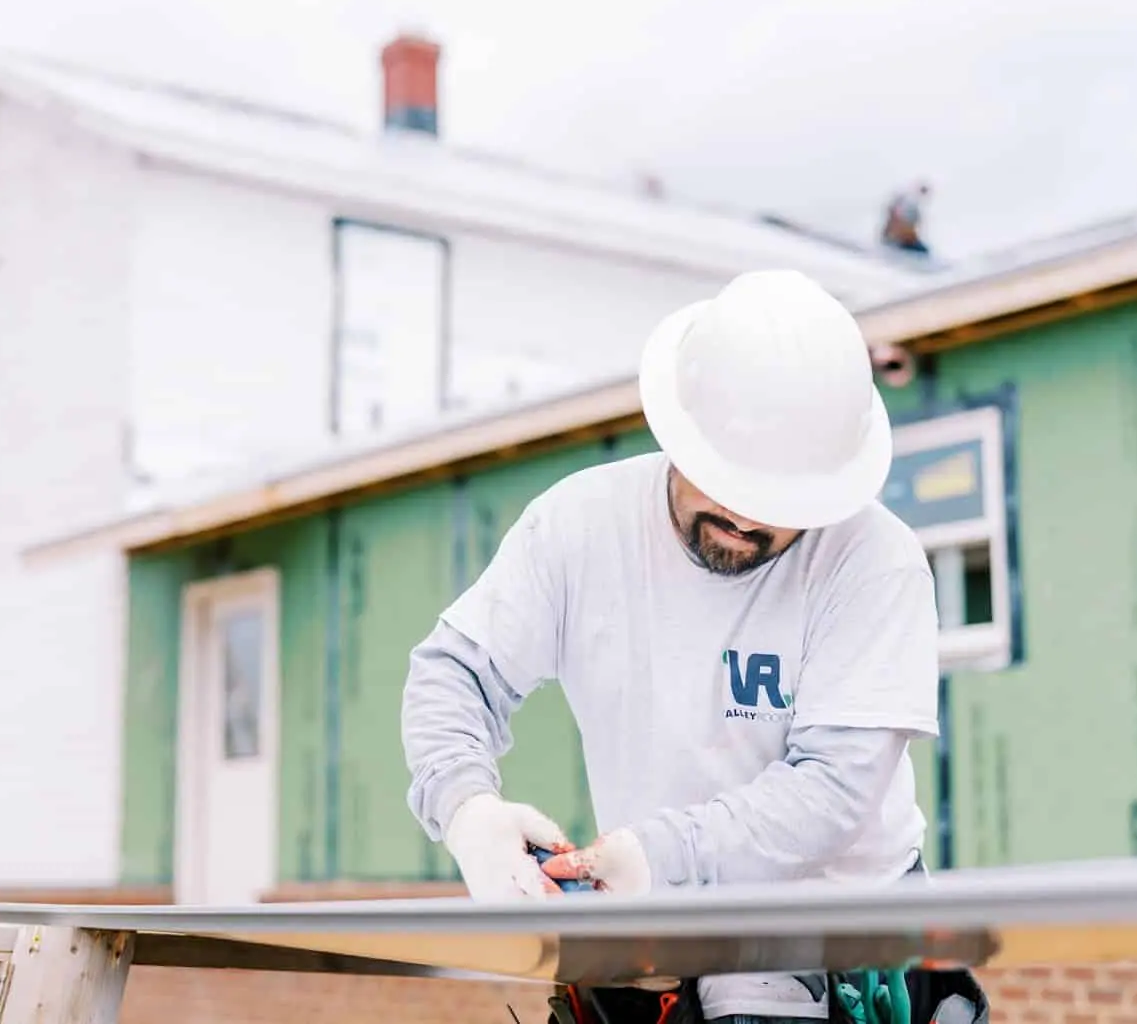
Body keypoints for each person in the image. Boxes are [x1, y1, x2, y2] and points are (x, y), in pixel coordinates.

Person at [400, 269, 942, 1023]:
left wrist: (663, 858)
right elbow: (455, 672)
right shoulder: (581, 527)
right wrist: (466, 809)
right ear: (677, 431)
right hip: (654, 935)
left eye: (778, 502)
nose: (744, 518)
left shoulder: (873, 561)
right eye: (723, 482)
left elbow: (834, 791)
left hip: (845, 942)